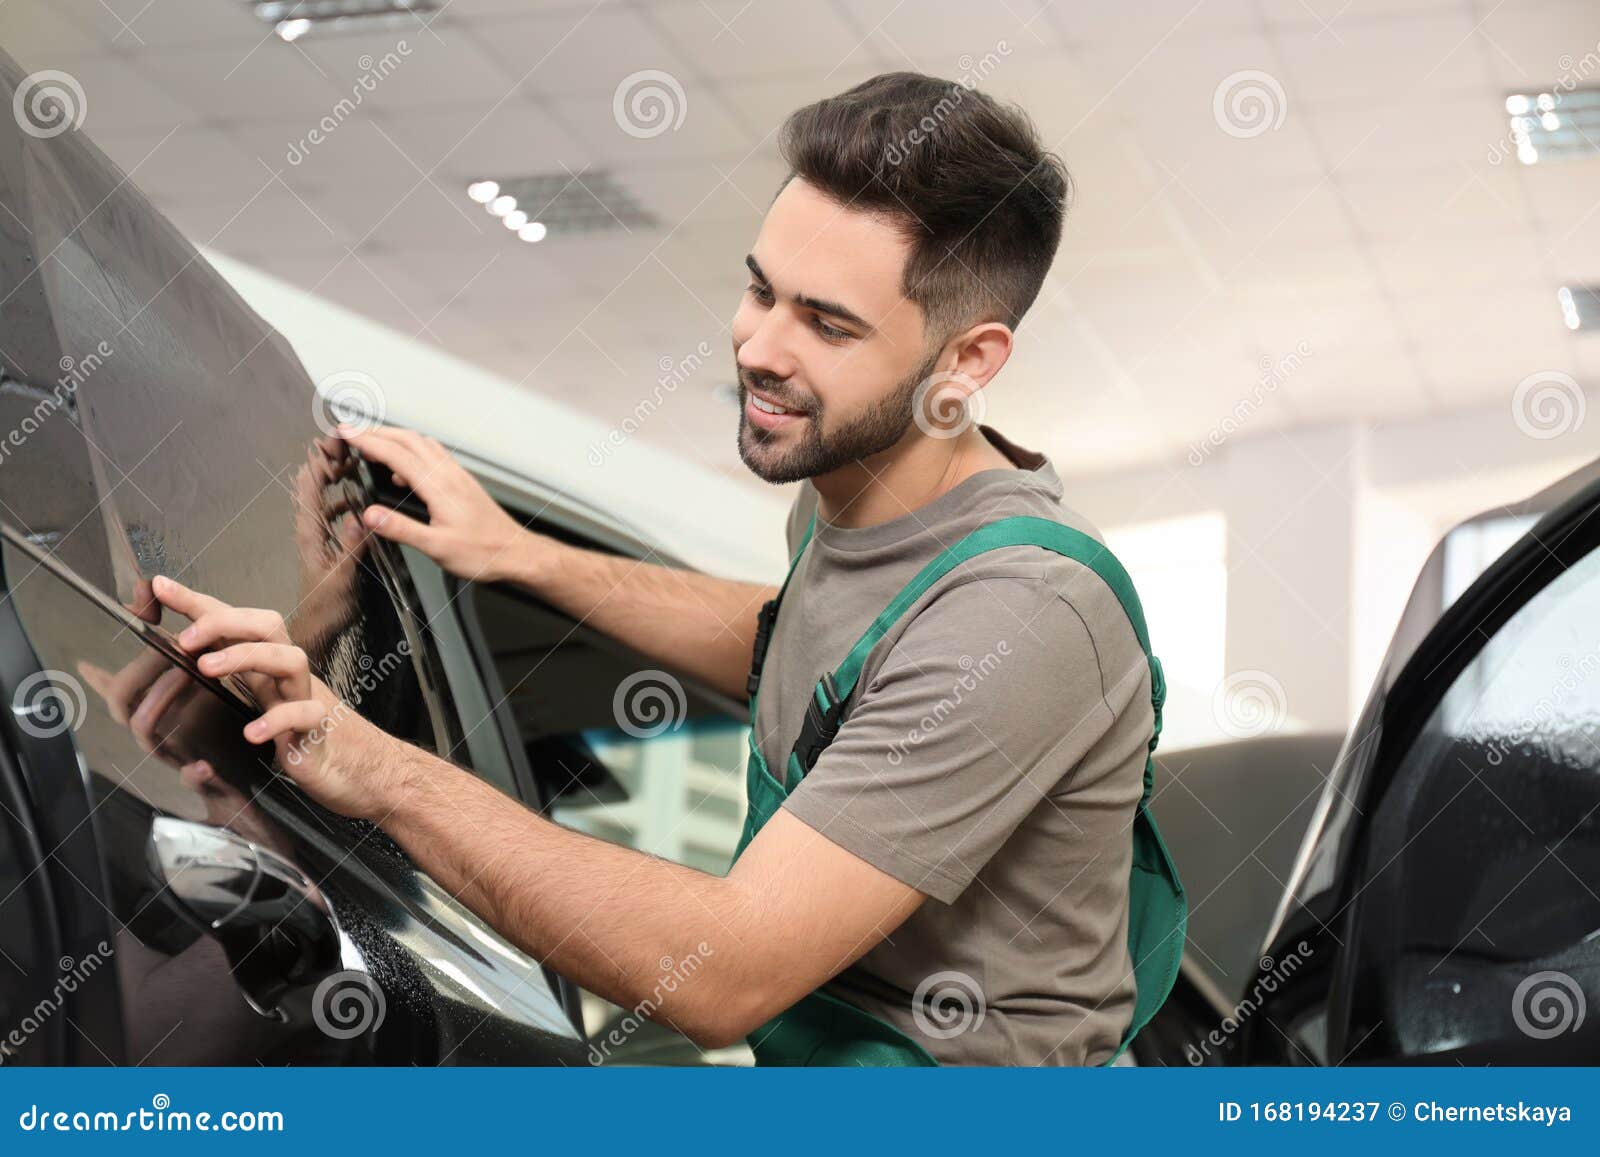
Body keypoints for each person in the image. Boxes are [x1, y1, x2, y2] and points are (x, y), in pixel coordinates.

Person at [152, 72, 1180, 1066]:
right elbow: (798, 636)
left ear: (966, 360)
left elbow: (719, 975)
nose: (757, 346)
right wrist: (524, 554)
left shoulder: (1024, 612)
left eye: (825, 323)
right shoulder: (863, 489)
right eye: (758, 288)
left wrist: (371, 763)